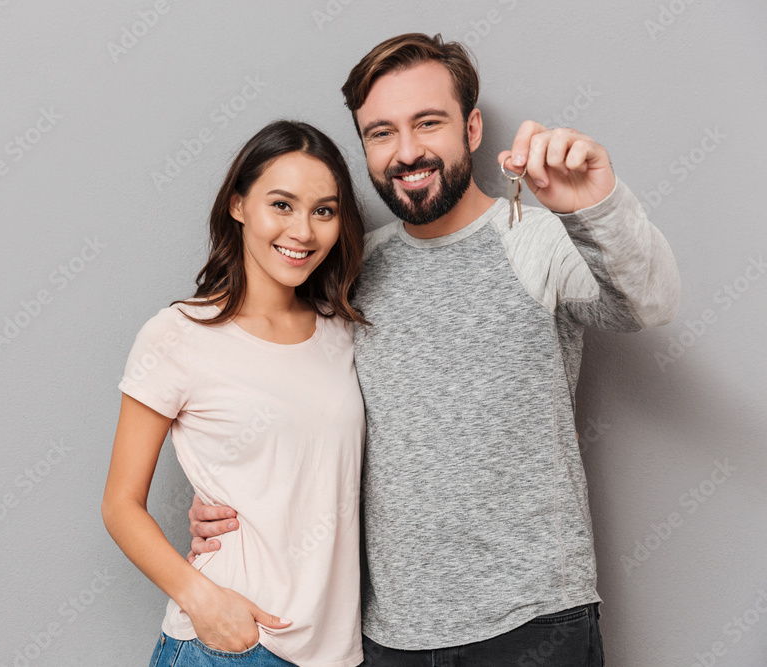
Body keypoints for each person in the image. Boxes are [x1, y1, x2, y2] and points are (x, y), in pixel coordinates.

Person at [187, 34, 681, 666]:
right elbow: (298, 405)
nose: (407, 151)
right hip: (392, 636)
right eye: (381, 132)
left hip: (533, 622)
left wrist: (599, 206)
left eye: (428, 123)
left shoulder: (533, 238)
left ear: (472, 128)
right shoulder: (353, 272)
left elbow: (650, 303)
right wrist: (234, 499)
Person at [102, 119, 371, 666]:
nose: (302, 231)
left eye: (324, 210)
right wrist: (202, 599)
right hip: (231, 647)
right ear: (238, 205)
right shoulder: (178, 334)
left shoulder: (345, 332)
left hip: (338, 653)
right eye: (281, 204)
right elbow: (119, 505)